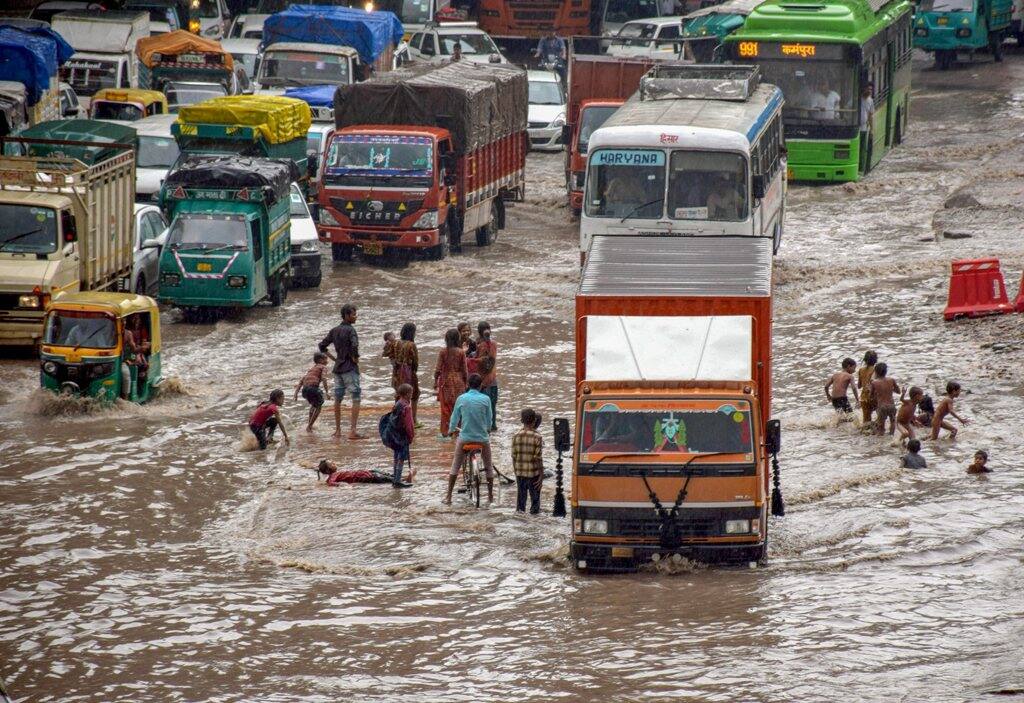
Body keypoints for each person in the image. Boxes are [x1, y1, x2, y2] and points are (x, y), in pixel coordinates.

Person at [444, 373, 494, 505]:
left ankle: (448, 496)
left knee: (455, 465)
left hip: (465, 438)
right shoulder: (486, 399)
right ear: (480, 385)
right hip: (482, 438)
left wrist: (451, 430)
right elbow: (489, 419)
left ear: (467, 385)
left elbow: (454, 418)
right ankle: (490, 496)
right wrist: (488, 429)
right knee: (488, 466)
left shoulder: (461, 398)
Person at [319, 303, 365, 440]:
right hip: (349, 367)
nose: (356, 317)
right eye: (353, 314)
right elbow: (354, 345)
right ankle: (353, 430)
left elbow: (322, 346)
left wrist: (334, 359)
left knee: (338, 399)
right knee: (356, 397)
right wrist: (355, 358)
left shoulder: (334, 330)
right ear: (346, 315)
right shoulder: (351, 330)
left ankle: (338, 430)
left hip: (338, 368)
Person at [434, 328, 469, 440]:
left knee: (446, 408)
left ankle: (446, 432)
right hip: (459, 382)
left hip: (446, 382)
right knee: (458, 406)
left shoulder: (443, 352)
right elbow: (465, 370)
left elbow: (438, 369)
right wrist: (466, 383)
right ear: (457, 339)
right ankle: (458, 431)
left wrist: (435, 382)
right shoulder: (461, 352)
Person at [384, 323, 421, 428]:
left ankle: (398, 419)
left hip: (397, 372)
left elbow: (386, 353)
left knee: (399, 395)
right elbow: (415, 361)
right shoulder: (411, 345)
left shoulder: (395, 343)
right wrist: (413, 370)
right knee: (414, 394)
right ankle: (413, 420)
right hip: (408, 373)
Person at [512, 407, 544, 514]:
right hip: (533, 475)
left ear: (521, 421)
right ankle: (534, 521)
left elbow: (514, 457)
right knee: (535, 504)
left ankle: (520, 521)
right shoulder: (537, 437)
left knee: (520, 505)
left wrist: (516, 472)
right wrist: (541, 476)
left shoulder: (515, 436)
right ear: (534, 420)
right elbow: (538, 458)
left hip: (520, 474)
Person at [294, 352, 330, 432]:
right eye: (326, 359)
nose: (327, 361)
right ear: (321, 360)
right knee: (319, 406)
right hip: (313, 389)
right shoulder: (323, 367)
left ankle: (310, 424)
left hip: (305, 390)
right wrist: (327, 392)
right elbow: (324, 378)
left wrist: (296, 393)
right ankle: (309, 426)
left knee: (314, 405)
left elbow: (302, 380)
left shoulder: (312, 369)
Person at [389, 383, 416, 485]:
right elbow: (409, 424)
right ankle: (397, 480)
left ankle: (395, 478)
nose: (412, 395)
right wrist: (411, 435)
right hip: (403, 436)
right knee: (401, 458)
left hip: (395, 435)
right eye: (411, 393)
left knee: (396, 457)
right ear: (407, 394)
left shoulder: (397, 404)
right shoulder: (406, 407)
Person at [476, 321, 498, 432]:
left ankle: (486, 427)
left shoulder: (479, 344)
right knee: (491, 405)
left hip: (483, 381)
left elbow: (487, 363)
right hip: (491, 380)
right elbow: (491, 361)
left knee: (483, 406)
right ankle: (492, 426)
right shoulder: (491, 344)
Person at [871, 363, 900, 436]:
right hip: (891, 405)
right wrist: (890, 389)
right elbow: (898, 391)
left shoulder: (874, 382)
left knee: (881, 427)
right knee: (892, 422)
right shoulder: (891, 380)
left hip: (882, 406)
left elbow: (871, 396)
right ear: (886, 371)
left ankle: (881, 440)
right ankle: (891, 436)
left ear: (876, 372)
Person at [317, 459, 394, 485]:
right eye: (332, 464)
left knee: (390, 477)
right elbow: (331, 482)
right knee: (391, 480)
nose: (334, 463)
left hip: (368, 473)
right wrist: (343, 485)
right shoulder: (333, 475)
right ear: (328, 470)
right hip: (367, 476)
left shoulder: (336, 473)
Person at [857, 350, 878, 425]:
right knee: (881, 417)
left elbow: (859, 386)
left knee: (866, 421)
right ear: (876, 360)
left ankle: (866, 431)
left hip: (864, 397)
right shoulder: (876, 369)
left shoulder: (861, 370)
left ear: (865, 359)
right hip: (874, 396)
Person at [859, 82, 875, 174]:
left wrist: (872, 129)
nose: (869, 91)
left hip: (864, 128)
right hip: (856, 128)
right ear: (864, 89)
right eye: (868, 89)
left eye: (871, 90)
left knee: (863, 149)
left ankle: (862, 168)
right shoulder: (857, 99)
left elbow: (870, 116)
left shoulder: (870, 101)